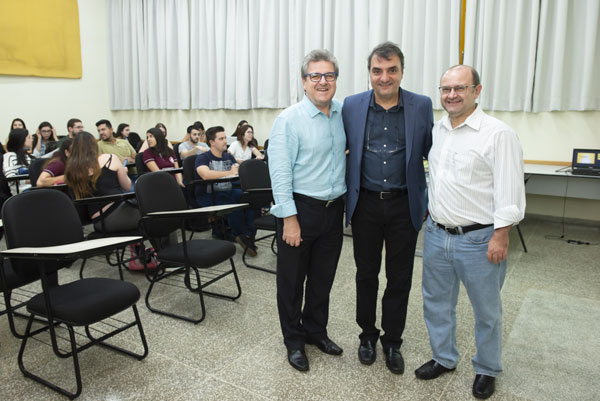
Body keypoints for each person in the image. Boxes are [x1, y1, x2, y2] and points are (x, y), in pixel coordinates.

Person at [414, 65, 525, 400]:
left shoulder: (497, 134)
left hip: (480, 239)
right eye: (446, 89)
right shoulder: (439, 130)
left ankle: (487, 368)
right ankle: (444, 357)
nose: (451, 95)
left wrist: (501, 234)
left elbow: (510, 191)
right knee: (436, 303)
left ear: (477, 91)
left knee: (486, 310)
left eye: (459, 88)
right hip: (436, 234)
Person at [343, 41, 433, 374]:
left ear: (401, 72)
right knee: (366, 275)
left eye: (391, 69)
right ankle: (367, 335)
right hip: (364, 204)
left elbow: (434, 151)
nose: (384, 77)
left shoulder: (421, 106)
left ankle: (392, 341)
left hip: (403, 206)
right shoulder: (351, 106)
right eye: (377, 70)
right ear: (369, 72)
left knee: (399, 279)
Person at [268, 49, 346, 372]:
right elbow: (280, 173)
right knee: (291, 281)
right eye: (315, 76)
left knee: (322, 279)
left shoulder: (342, 114)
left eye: (329, 75)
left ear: (336, 80)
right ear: (304, 82)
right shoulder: (289, 120)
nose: (322, 81)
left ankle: (316, 331)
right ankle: (294, 341)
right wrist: (289, 218)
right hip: (300, 210)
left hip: (333, 211)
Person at [194, 126, 256, 253]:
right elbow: (205, 174)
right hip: (210, 195)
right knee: (233, 205)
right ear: (212, 142)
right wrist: (228, 172)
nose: (225, 141)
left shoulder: (228, 156)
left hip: (228, 190)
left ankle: (248, 235)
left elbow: (236, 171)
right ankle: (240, 234)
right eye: (221, 138)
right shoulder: (203, 157)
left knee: (250, 199)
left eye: (225, 138)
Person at [65, 131, 138, 233]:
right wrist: (123, 172)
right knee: (154, 215)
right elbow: (127, 186)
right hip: (118, 213)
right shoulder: (109, 158)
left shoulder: (71, 169)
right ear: (94, 145)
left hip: (98, 221)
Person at [3, 129, 34, 193]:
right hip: (22, 193)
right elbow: (11, 179)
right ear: (22, 140)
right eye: (29, 138)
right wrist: (32, 180)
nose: (32, 139)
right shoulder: (10, 156)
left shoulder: (28, 156)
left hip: (35, 188)